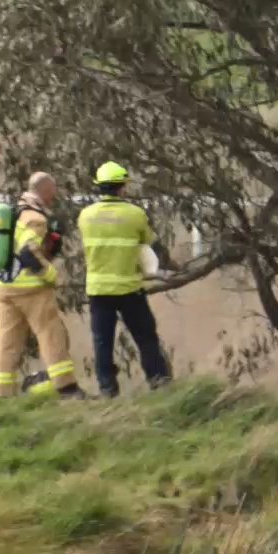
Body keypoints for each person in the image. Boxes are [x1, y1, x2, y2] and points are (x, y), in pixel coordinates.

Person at [75, 161, 173, 397]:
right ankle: (158, 381)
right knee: (146, 337)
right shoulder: (134, 214)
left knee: (102, 342)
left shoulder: (85, 216)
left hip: (98, 290)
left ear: (100, 187)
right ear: (122, 187)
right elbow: (150, 245)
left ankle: (108, 388)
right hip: (129, 288)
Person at [0, 171, 81, 397]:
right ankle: (66, 387)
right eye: (53, 192)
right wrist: (50, 275)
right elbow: (28, 253)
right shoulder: (35, 219)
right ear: (46, 191)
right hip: (30, 289)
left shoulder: (12, 213)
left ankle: (3, 394)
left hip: (3, 288)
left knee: (6, 342)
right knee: (51, 334)